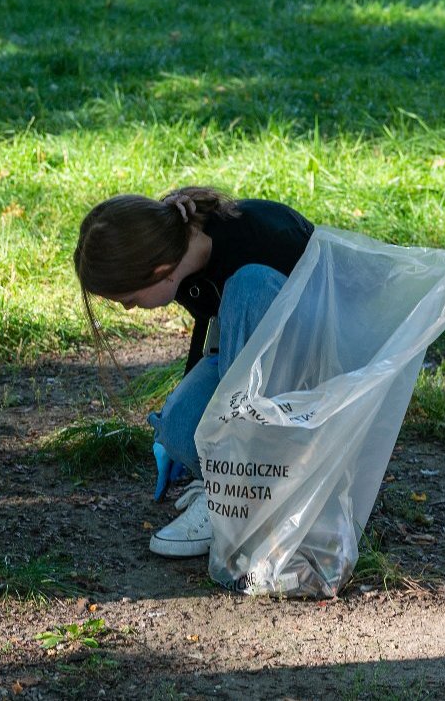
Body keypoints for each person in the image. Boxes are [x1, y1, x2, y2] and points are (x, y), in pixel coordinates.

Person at [73, 187, 312, 559]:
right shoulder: (184, 254)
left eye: (130, 299)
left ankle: (238, 495)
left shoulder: (256, 242)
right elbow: (217, 336)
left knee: (248, 289)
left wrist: (229, 456)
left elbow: (316, 335)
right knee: (180, 430)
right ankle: (222, 476)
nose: (130, 310)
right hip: (257, 371)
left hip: (313, 378)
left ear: (158, 271)